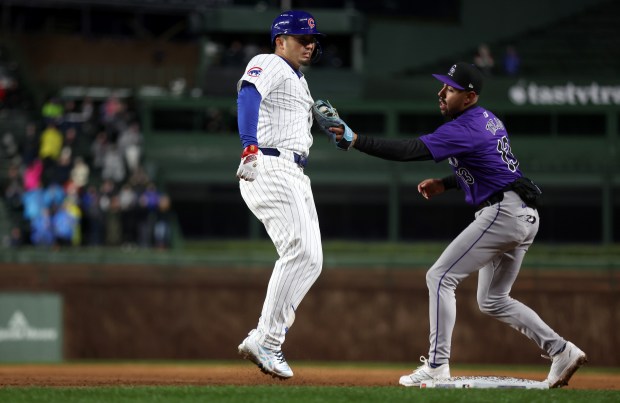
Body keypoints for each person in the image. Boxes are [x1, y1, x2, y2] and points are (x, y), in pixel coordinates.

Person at [330, 62, 587, 388]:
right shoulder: (488, 119)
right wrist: (447, 183)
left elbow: (410, 150)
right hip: (524, 213)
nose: (441, 93)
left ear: (469, 97)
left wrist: (356, 139)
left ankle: (437, 365)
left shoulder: (464, 127)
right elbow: (490, 167)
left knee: (439, 276)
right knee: (493, 299)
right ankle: (561, 350)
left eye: (449, 89)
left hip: (502, 213)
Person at [235, 10, 325, 380]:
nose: (309, 45)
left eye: (311, 40)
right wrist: (249, 147)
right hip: (268, 163)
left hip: (295, 171)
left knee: (313, 259)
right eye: (301, 39)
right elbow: (248, 94)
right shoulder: (268, 61)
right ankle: (268, 340)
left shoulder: (300, 82)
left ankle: (267, 338)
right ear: (280, 41)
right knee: (300, 251)